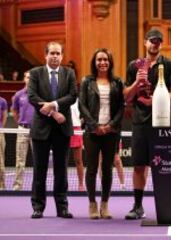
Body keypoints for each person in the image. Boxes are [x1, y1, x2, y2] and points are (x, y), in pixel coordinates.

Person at [124, 28, 171, 220]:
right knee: (139, 165)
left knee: (164, 166)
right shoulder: (134, 66)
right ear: (145, 42)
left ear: (161, 44)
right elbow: (127, 96)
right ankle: (138, 206)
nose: (154, 44)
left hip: (163, 122)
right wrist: (136, 83)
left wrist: (157, 99)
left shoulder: (170, 64)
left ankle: (167, 204)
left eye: (158, 41)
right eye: (151, 40)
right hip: (140, 122)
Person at [28, 41, 77, 219]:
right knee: (39, 170)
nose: (55, 56)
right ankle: (38, 207)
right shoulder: (35, 73)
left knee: (61, 170)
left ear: (62, 56)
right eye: (52, 53)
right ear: (45, 55)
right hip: (41, 129)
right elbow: (32, 96)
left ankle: (62, 207)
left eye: (58, 54)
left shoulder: (69, 73)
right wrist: (55, 114)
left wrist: (53, 105)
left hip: (62, 131)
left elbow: (72, 96)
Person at [79, 48, 124, 219]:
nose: (102, 62)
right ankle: (92, 203)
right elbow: (82, 105)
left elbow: (121, 107)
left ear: (110, 62)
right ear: (94, 62)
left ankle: (105, 204)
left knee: (107, 169)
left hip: (111, 132)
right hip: (92, 131)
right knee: (91, 169)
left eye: (105, 59)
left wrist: (110, 125)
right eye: (99, 59)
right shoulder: (86, 81)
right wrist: (94, 125)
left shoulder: (117, 82)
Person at [11, 70, 35, 190]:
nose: (29, 79)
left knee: (38, 160)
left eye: (31, 77)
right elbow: (14, 111)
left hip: (36, 131)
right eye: (27, 77)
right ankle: (17, 186)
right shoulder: (18, 95)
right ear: (24, 79)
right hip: (22, 130)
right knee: (20, 159)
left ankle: (37, 187)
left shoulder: (38, 94)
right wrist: (20, 122)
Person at [70, 99, 85, 191]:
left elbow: (85, 114)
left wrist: (79, 122)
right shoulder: (60, 98)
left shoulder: (79, 100)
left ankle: (81, 184)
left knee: (78, 160)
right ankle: (62, 184)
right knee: (61, 160)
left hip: (76, 130)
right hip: (64, 128)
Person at [0, 95, 8, 190]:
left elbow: (5, 116)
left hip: (0, 132)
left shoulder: (3, 101)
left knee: (0, 160)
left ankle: (1, 185)